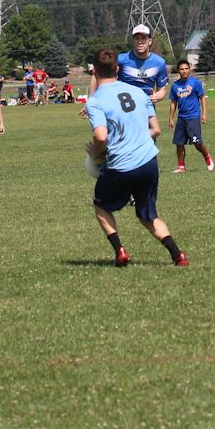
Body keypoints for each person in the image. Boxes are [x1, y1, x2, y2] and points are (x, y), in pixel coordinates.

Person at [85, 48, 187, 267]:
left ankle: (120, 251)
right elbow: (156, 130)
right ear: (117, 69)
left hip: (123, 165)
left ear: (94, 71)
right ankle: (177, 255)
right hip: (149, 162)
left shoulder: (95, 101)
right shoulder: (139, 93)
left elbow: (101, 136)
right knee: (147, 215)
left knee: (101, 205)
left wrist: (96, 152)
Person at [168, 60, 214, 173]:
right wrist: (171, 118)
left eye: (186, 68)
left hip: (193, 117)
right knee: (179, 143)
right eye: (182, 69)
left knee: (197, 143)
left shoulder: (195, 83)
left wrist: (204, 113)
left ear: (189, 69)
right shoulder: (175, 85)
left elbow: (202, 98)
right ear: (178, 71)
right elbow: (173, 102)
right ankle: (181, 167)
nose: (184, 71)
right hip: (181, 118)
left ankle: (207, 156)